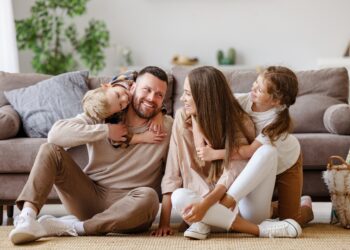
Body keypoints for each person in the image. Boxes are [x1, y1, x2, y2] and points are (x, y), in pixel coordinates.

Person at [9, 66, 173, 245]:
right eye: (147, 90)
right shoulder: (106, 112)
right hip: (90, 195)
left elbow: (174, 173)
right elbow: (55, 135)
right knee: (49, 150)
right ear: (132, 88)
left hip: (131, 206)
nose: (151, 98)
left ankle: (75, 228)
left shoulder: (167, 126)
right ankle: (27, 218)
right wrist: (105, 131)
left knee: (149, 197)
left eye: (159, 95)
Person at [152, 66, 301, 240]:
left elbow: (242, 160)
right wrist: (164, 222)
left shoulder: (250, 121)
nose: (182, 99)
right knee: (179, 196)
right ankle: (243, 225)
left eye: (188, 94)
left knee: (268, 153)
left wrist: (208, 203)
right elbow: (172, 171)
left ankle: (217, 221)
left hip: (255, 183)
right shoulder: (185, 116)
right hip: (204, 207)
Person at [197, 66, 313, 227]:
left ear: (276, 101)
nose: (253, 88)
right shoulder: (242, 100)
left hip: (286, 162)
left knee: (290, 220)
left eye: (260, 89)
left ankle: (306, 206)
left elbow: (249, 151)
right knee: (261, 214)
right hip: (260, 163)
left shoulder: (277, 123)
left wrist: (214, 154)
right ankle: (273, 209)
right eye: (255, 83)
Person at [82, 78, 165, 147]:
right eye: (121, 105)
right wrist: (142, 137)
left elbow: (154, 94)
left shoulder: (126, 79)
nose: (125, 99)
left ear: (107, 85)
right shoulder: (113, 117)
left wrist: (158, 113)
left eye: (117, 95)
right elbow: (118, 139)